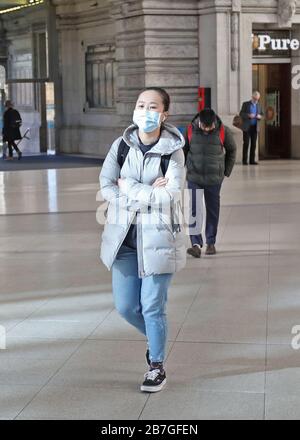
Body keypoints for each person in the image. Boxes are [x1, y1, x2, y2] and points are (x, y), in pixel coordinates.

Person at [99, 87, 186, 393]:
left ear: (164, 114)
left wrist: (131, 188)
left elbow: (170, 194)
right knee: (125, 307)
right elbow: (106, 185)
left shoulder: (173, 151)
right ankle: (156, 338)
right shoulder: (120, 146)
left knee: (151, 306)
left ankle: (156, 365)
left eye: (152, 106)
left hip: (160, 239)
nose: (145, 111)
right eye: (140, 105)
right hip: (123, 240)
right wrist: (145, 194)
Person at [184, 108, 236, 258]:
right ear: (199, 122)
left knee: (212, 210)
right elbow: (183, 151)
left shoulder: (223, 131)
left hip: (214, 179)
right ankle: (195, 244)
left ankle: (211, 242)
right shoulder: (190, 130)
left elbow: (232, 150)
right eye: (204, 126)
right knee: (194, 209)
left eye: (210, 127)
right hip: (194, 177)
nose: (207, 129)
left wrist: (226, 171)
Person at [239, 91, 264, 165]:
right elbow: (241, 114)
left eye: (257, 99)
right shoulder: (246, 104)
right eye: (255, 98)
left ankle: (252, 160)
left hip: (255, 127)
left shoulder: (259, 105)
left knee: (253, 144)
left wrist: (260, 116)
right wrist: (248, 115)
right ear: (252, 97)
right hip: (247, 127)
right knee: (246, 143)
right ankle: (244, 161)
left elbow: (262, 114)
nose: (256, 100)